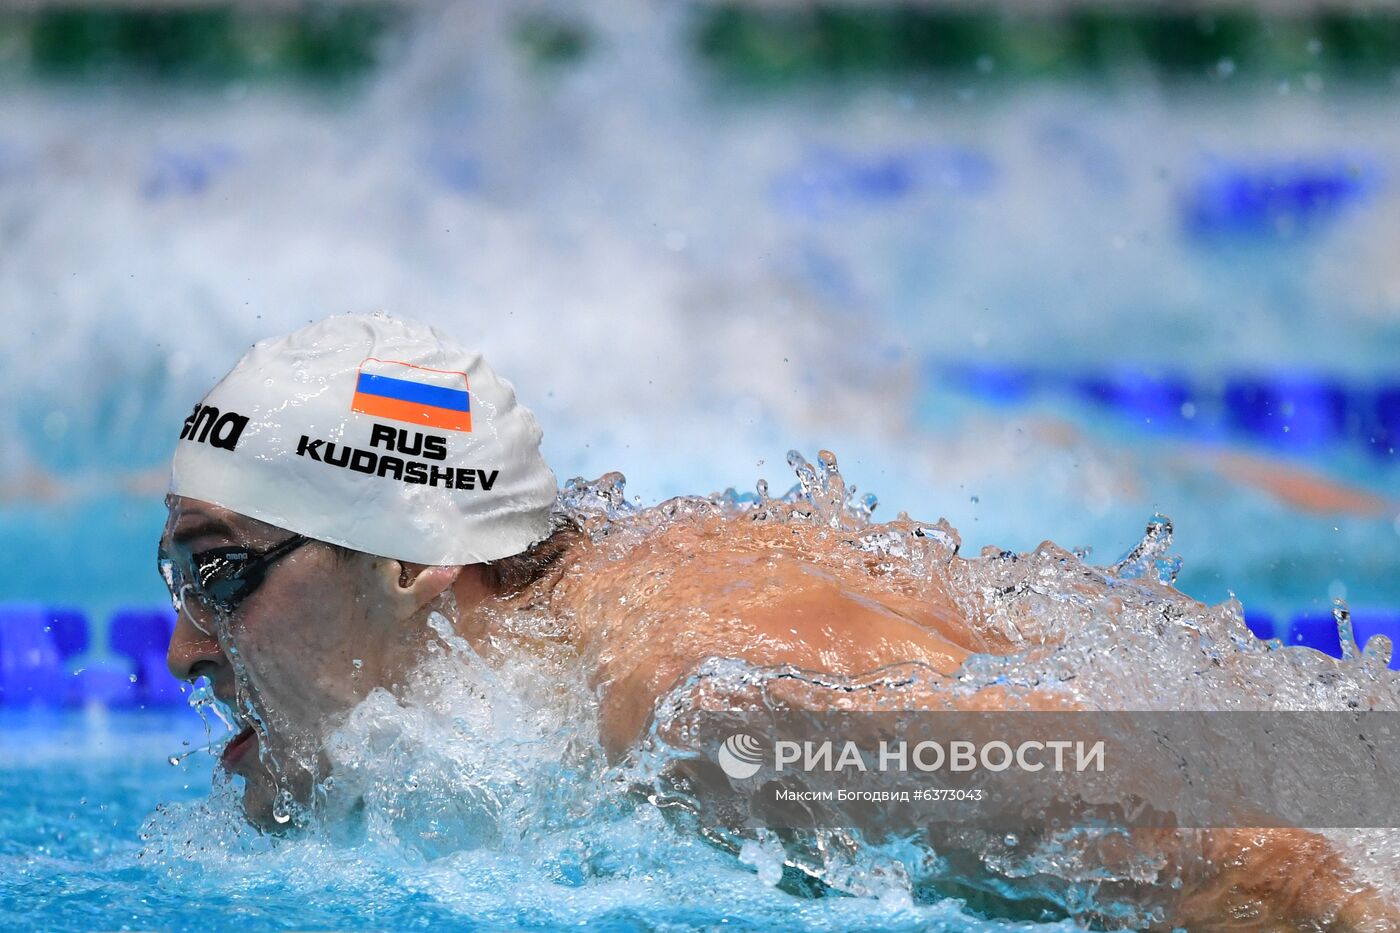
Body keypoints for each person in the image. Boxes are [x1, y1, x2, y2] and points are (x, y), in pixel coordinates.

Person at [161, 312, 1394, 928]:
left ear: (413, 564)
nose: (184, 649)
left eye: (221, 578)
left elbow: (1269, 861)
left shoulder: (716, 708)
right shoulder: (591, 631)